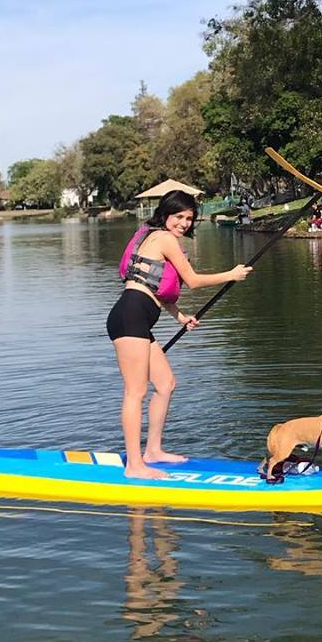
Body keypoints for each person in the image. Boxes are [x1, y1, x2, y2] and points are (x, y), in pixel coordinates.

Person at [107, 190, 253, 478]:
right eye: (179, 216)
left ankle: (153, 451)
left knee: (166, 383)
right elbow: (192, 280)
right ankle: (134, 466)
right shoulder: (164, 238)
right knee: (135, 392)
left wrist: (180, 317)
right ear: (165, 214)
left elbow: (155, 289)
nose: (184, 223)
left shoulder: (152, 237)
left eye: (189, 218)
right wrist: (231, 275)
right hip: (129, 317)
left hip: (137, 318)